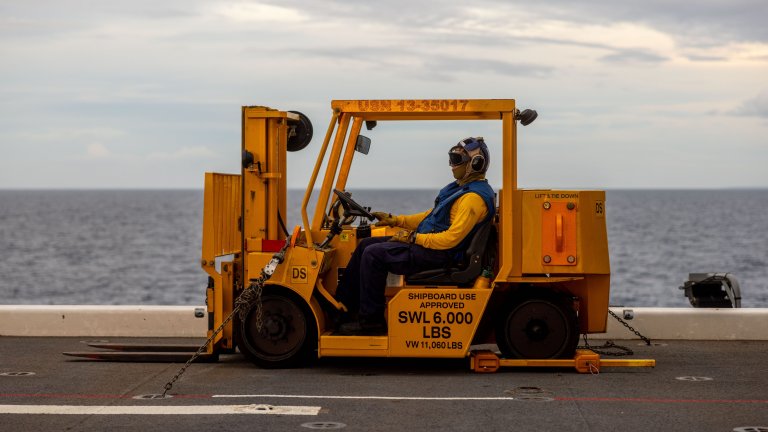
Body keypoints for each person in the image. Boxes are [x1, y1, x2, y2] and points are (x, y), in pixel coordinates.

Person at [335, 137, 496, 335]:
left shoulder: (472, 199)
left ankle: (371, 322)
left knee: (373, 255)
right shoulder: (462, 190)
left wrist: (412, 238)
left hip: (440, 254)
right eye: (451, 158)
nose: (451, 165)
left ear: (475, 163)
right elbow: (431, 216)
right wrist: (395, 220)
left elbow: (451, 240)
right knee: (365, 245)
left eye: (456, 159)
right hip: (430, 246)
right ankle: (342, 307)